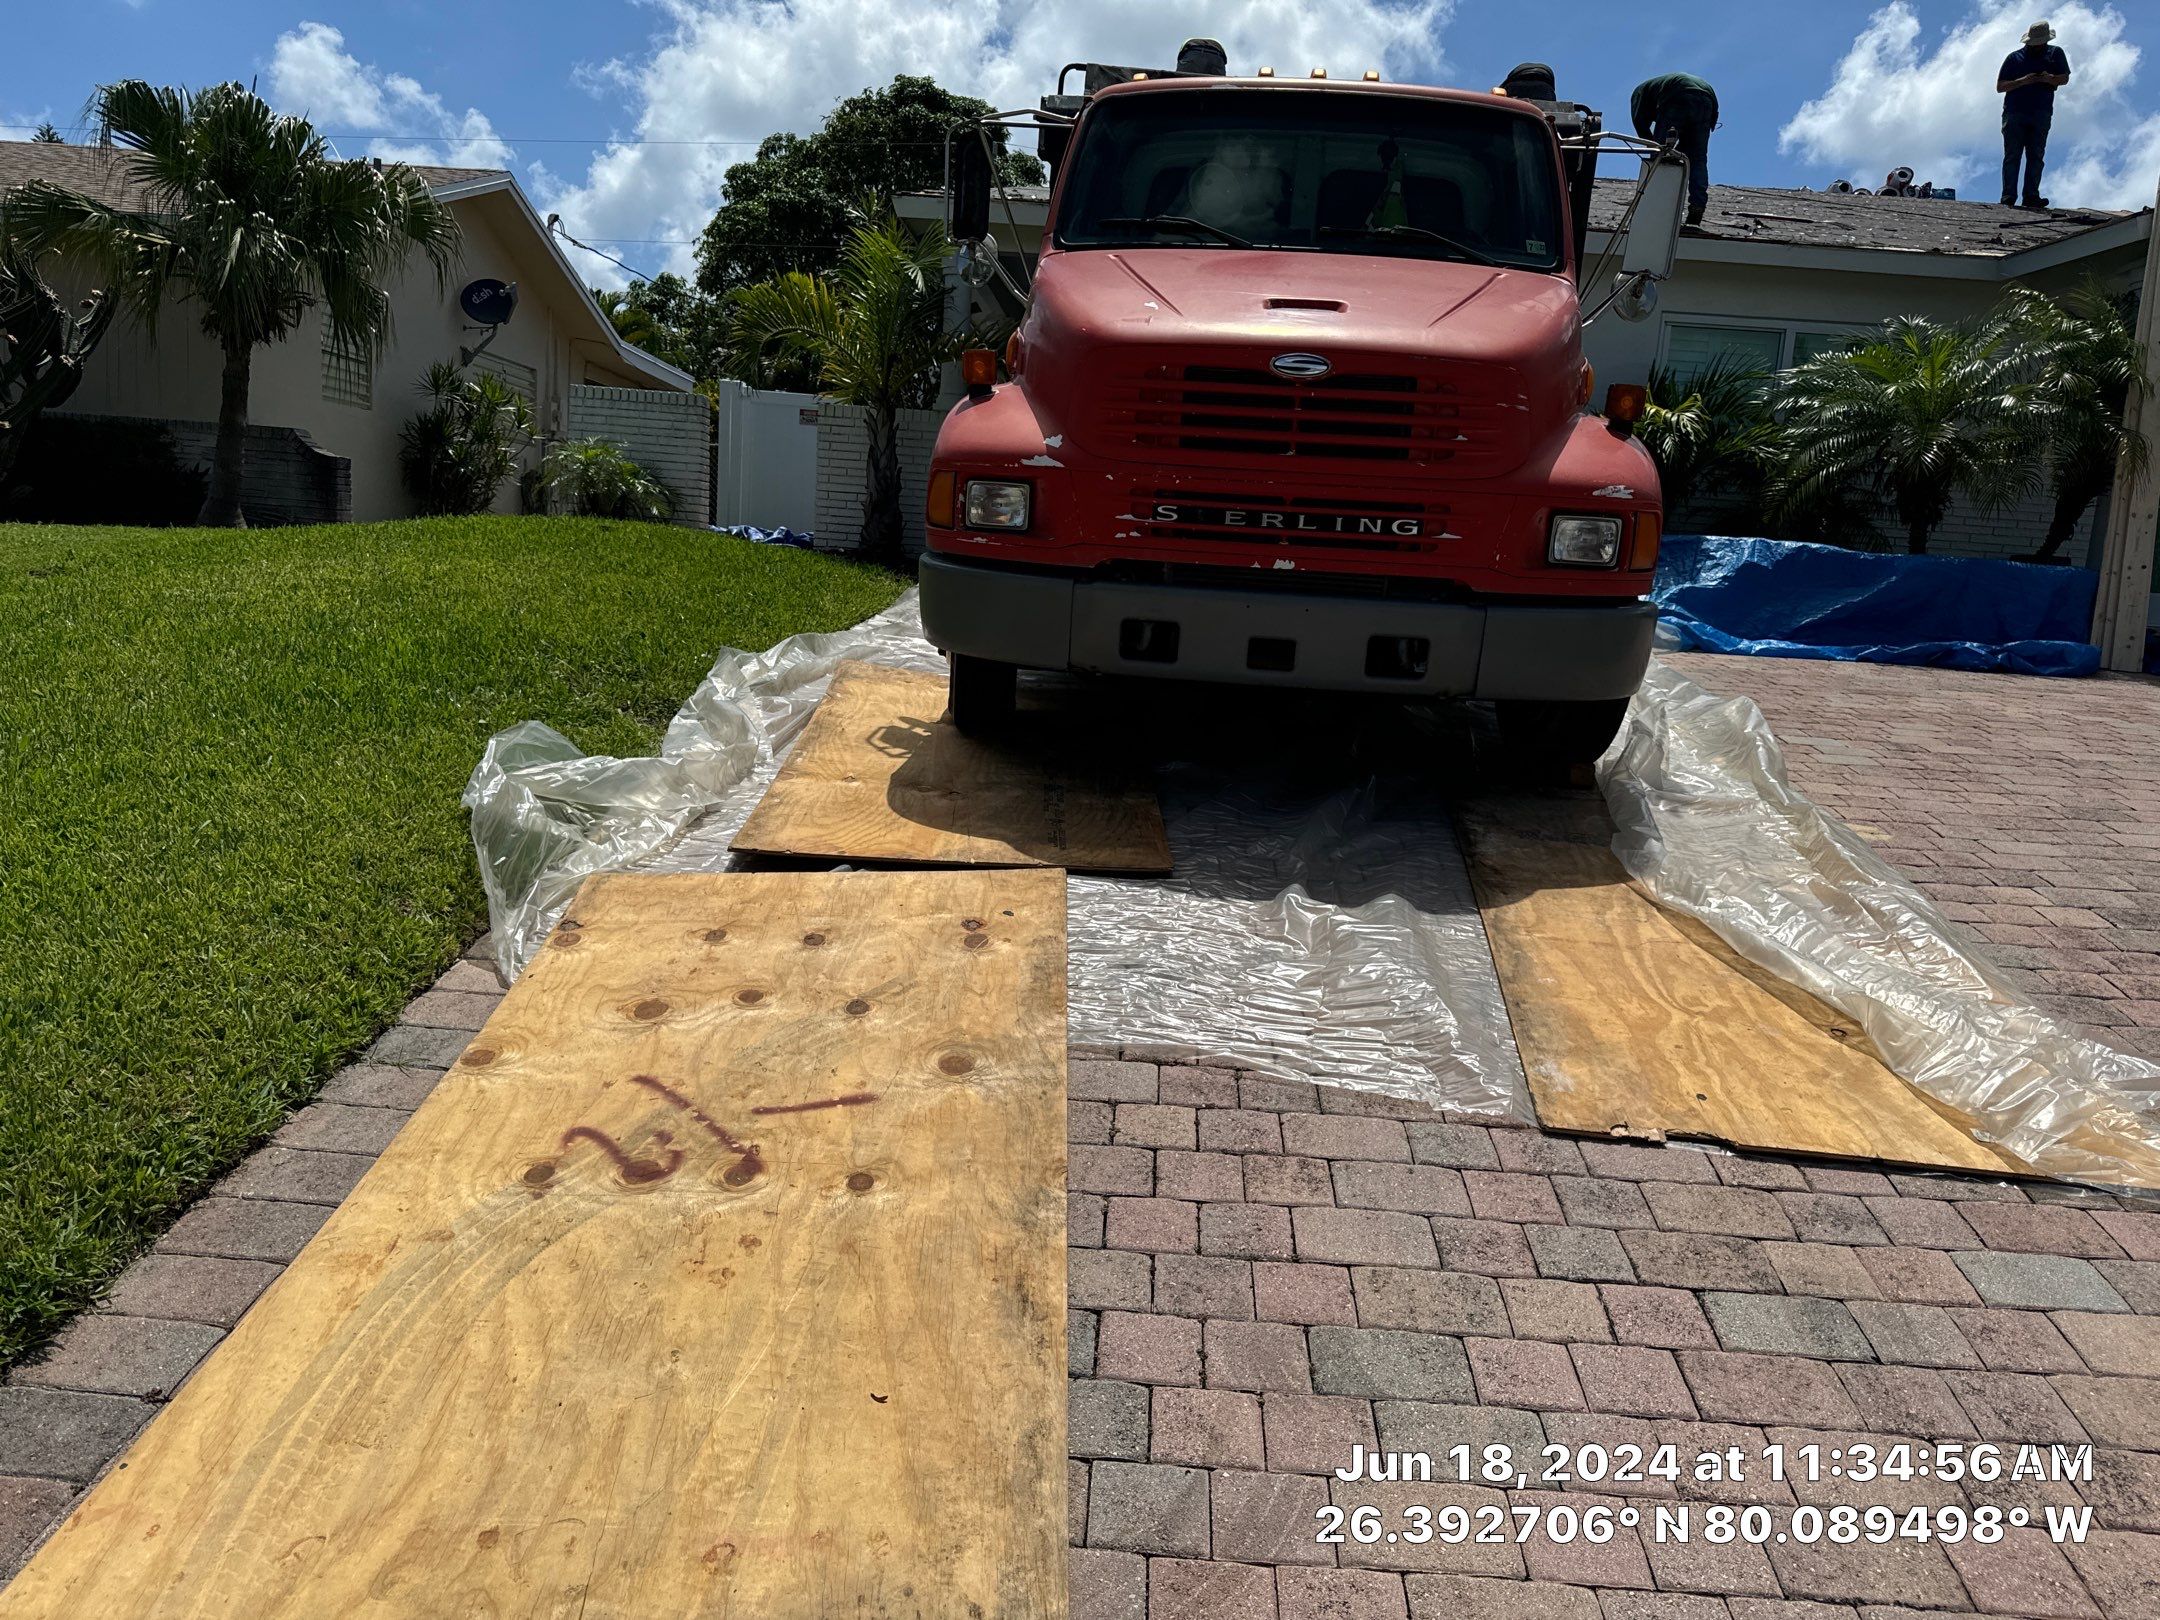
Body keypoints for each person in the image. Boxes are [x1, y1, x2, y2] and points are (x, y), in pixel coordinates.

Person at [1998, 21, 2071, 208]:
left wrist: (2048, 78)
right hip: (2014, 112)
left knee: (2036, 156)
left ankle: (2031, 196)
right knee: (2012, 155)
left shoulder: (2055, 53)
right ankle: (2008, 197)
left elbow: (2064, 78)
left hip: (2041, 112)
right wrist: (2024, 81)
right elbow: (2000, 86)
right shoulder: (2014, 58)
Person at [1630, 73, 1719, 226]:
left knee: (1659, 153)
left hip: (1677, 95)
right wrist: (1677, 153)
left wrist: (1658, 150)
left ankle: (1655, 202)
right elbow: (1690, 143)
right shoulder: (1654, 89)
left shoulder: (1638, 94)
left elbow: (1641, 126)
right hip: (1707, 100)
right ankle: (1697, 207)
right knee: (1697, 159)